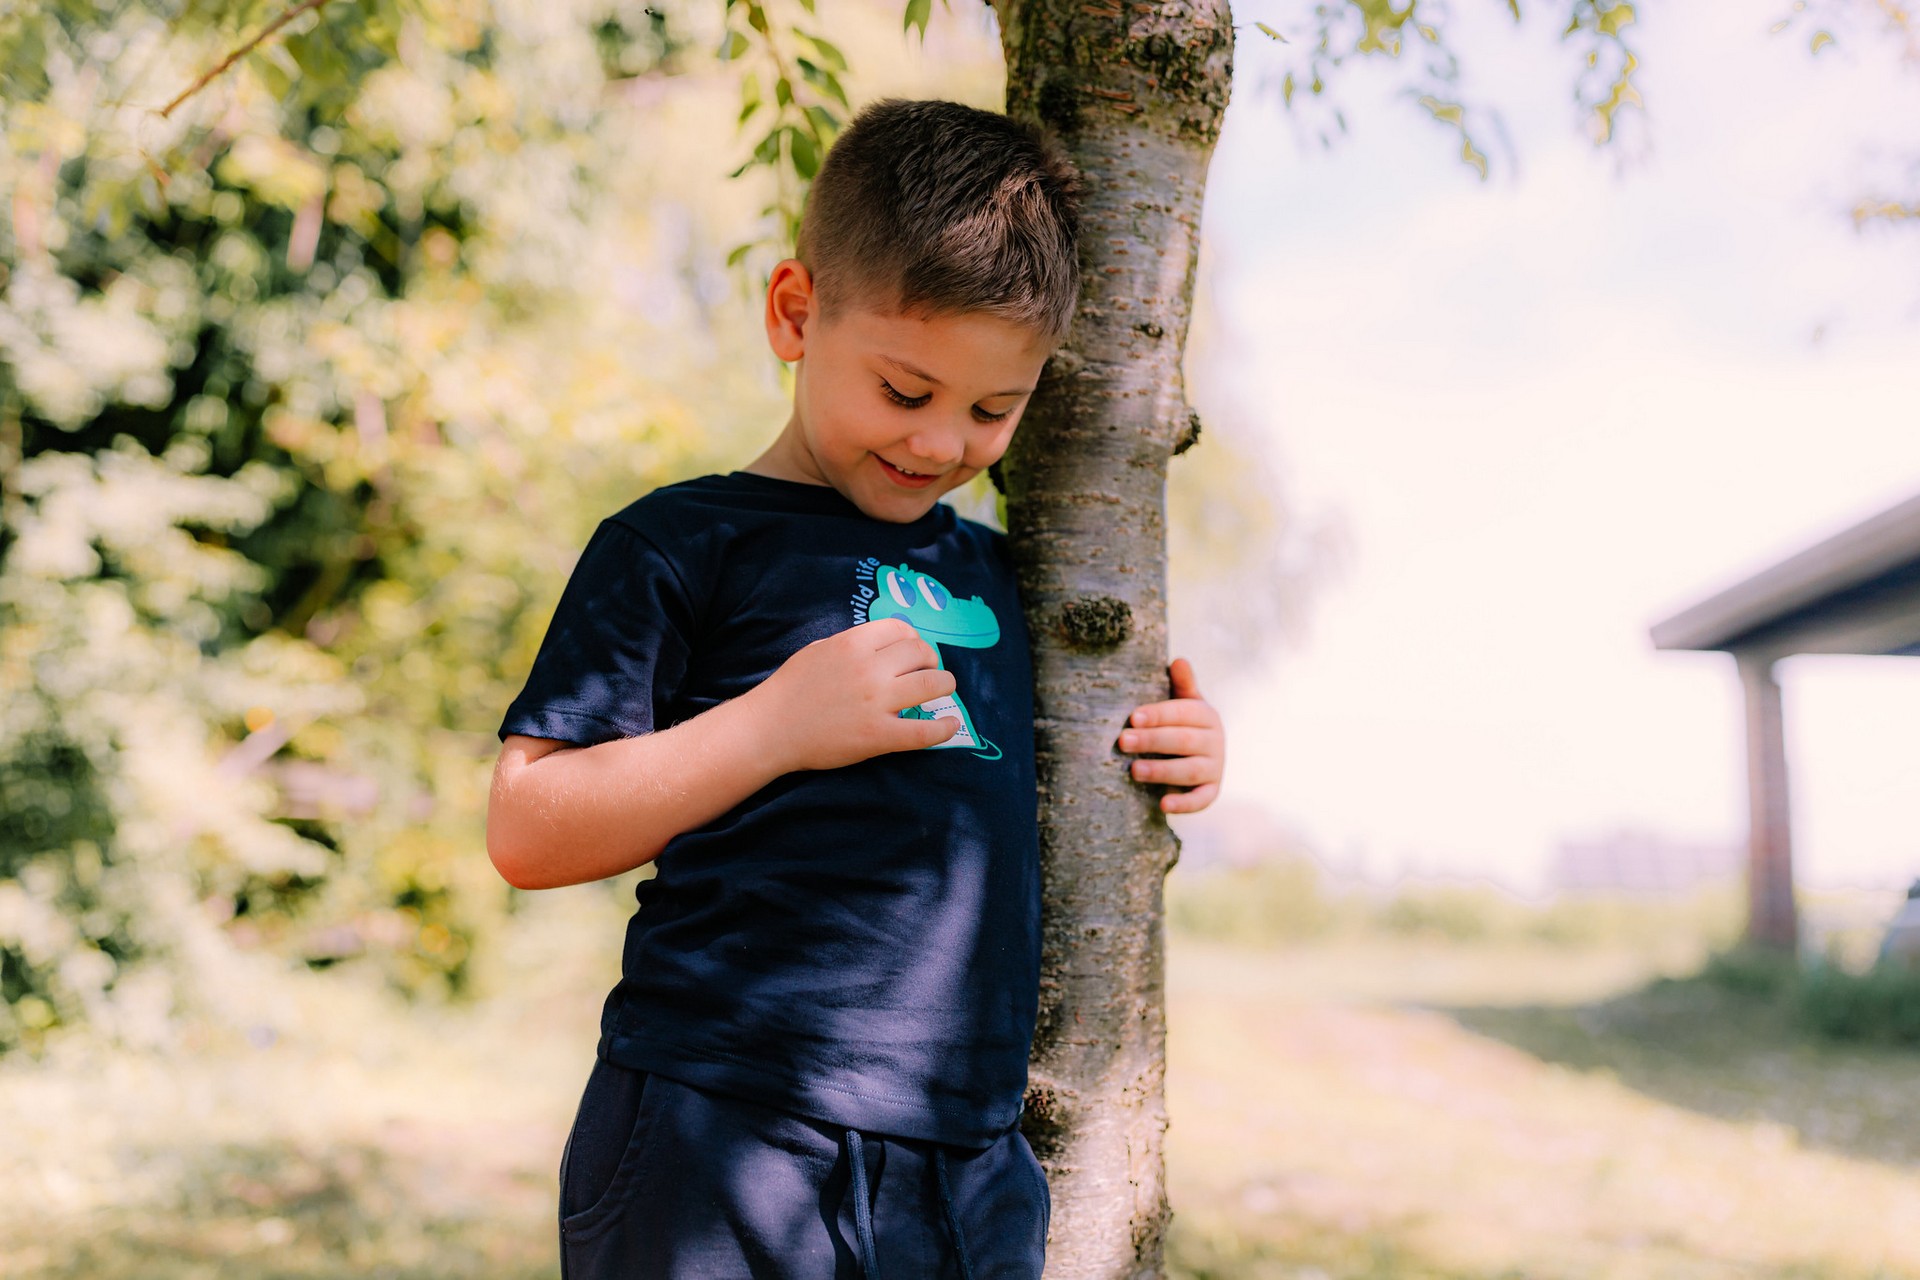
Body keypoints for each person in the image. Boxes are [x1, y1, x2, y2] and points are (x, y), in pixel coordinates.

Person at [487, 98, 1226, 1279]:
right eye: (905, 390)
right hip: (719, 1128)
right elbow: (527, 826)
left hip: (964, 1164)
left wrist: (1178, 745)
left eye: (993, 409)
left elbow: (1053, 769)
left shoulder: (1006, 576)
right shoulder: (682, 543)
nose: (941, 443)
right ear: (796, 314)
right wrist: (772, 725)